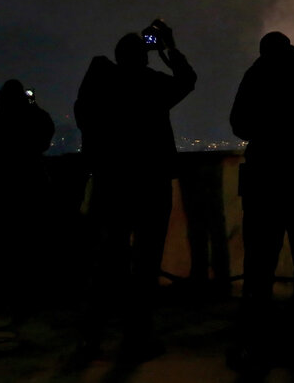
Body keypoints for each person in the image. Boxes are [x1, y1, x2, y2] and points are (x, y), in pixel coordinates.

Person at [73, 19, 196, 363]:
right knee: (145, 264)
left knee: (107, 261)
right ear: (143, 57)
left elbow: (85, 115)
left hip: (111, 184)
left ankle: (91, 336)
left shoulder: (99, 85)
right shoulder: (151, 84)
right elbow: (187, 80)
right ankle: (136, 337)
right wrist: (168, 47)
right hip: (150, 185)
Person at [228, 31, 294, 369]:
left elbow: (239, 125)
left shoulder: (256, 75)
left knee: (259, 262)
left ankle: (256, 336)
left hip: (264, 181)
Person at [0, 78, 55, 317]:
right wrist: (32, 104)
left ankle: (5, 297)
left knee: (5, 245)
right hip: (30, 184)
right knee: (30, 244)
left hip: (2, 187)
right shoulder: (32, 116)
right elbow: (46, 130)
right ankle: (29, 296)